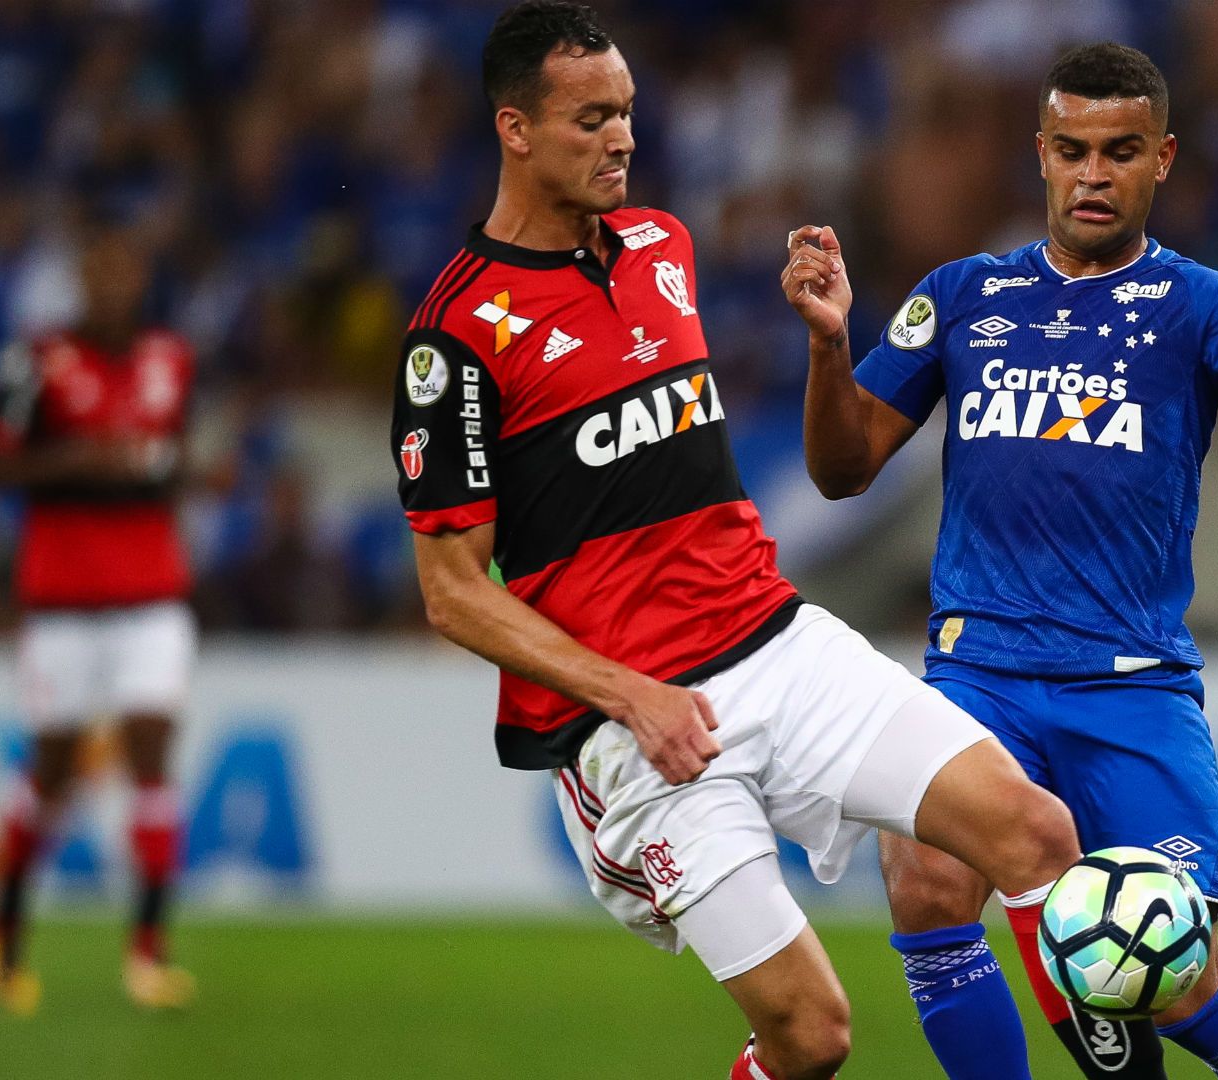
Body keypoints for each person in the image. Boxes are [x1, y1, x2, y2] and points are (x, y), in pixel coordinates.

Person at [395, 6, 1083, 1079]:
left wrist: (824, 340)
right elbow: (450, 591)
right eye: (590, 118)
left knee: (1037, 835)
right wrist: (633, 696)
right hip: (638, 721)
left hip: (778, 639)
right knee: (812, 1036)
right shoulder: (457, 334)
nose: (623, 137)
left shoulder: (660, 247)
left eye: (627, 112)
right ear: (515, 129)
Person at [782, 43, 1218, 1080]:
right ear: (1040, 153)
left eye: (1121, 151)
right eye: (1073, 150)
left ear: (1161, 159)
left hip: (1128, 684)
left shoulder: (1203, 305)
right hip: (978, 672)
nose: (1094, 174)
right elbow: (842, 468)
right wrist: (826, 345)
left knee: (1174, 982)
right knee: (927, 889)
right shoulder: (964, 294)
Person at [0, 217, 198, 1015]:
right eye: (98, 272)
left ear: (140, 281)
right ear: (80, 281)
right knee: (54, 771)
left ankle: (148, 951)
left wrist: (173, 470)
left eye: (124, 272)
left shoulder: (172, 359)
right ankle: (4, 925)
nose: (112, 287)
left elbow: (178, 456)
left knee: (152, 749)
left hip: (153, 591)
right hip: (62, 595)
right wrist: (80, 459)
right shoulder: (34, 361)